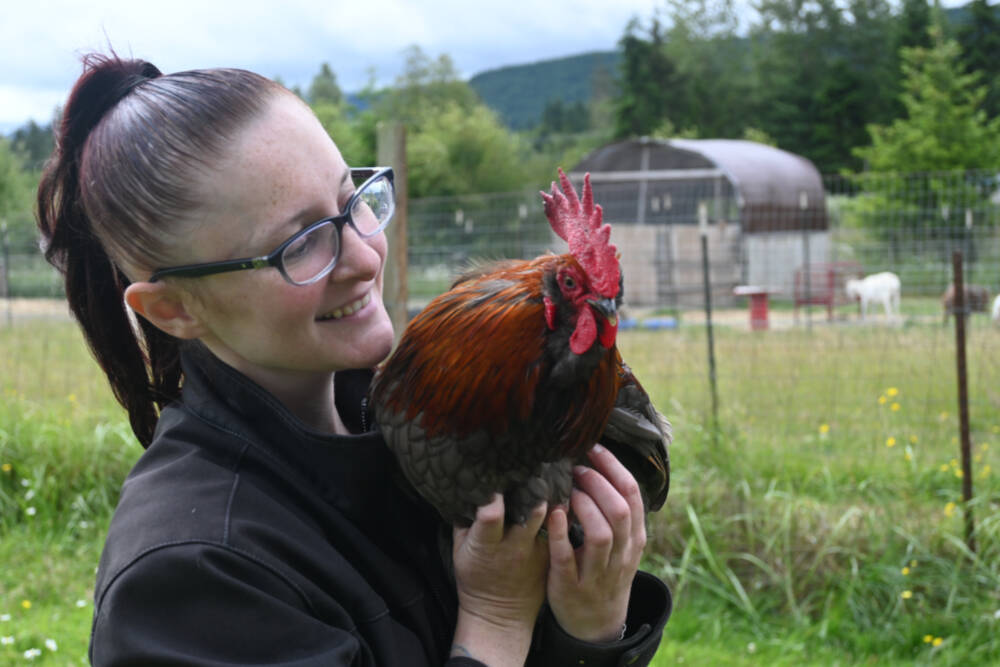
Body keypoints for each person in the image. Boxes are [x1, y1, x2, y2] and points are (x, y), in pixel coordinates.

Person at [37, 53, 671, 666]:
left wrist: (590, 635)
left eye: (354, 200)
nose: (367, 256)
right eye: (303, 242)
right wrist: (496, 618)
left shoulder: (404, 416)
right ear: (174, 309)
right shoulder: (191, 583)